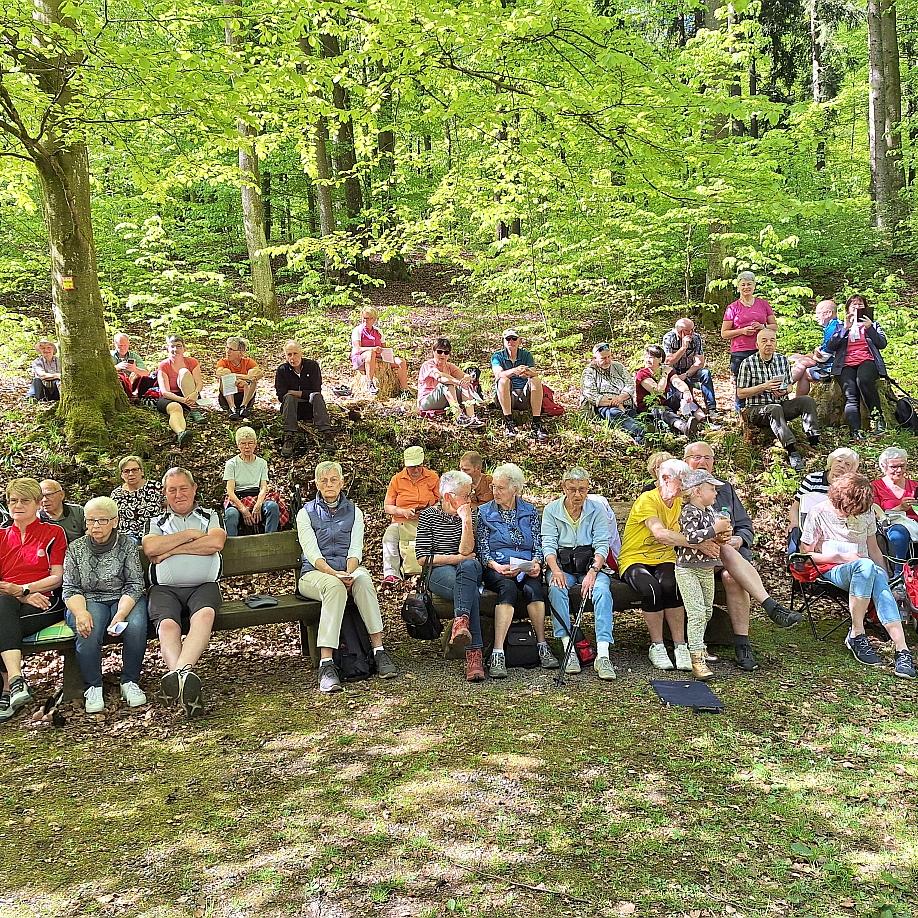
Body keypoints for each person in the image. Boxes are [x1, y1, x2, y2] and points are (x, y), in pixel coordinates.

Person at [684, 441, 802, 670]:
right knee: (725, 550)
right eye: (696, 457)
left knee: (731, 576)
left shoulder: (724, 488)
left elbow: (745, 525)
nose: (702, 462)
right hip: (694, 558)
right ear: (686, 460)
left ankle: (742, 643)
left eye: (707, 458)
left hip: (727, 557)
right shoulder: (681, 492)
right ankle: (770, 606)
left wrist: (740, 538)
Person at [296, 461, 398, 693]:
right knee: (334, 587)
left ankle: (379, 650)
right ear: (317, 484)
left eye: (334, 480)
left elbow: (355, 551)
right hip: (315, 574)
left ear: (342, 483)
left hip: (347, 569)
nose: (329, 484)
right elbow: (312, 554)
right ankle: (327, 663)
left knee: (363, 580)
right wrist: (336, 575)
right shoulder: (306, 513)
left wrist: (349, 572)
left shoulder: (355, 511)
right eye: (324, 480)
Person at [801, 473, 915, 679]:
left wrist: (886, 576)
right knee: (865, 566)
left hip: (865, 568)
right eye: (851, 509)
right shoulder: (819, 512)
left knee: (875, 573)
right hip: (832, 568)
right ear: (840, 499)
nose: (855, 513)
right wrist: (840, 556)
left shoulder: (867, 512)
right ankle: (859, 633)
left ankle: (901, 649)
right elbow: (806, 555)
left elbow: (874, 549)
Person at [142, 467, 226, 717]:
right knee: (167, 626)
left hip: (204, 586)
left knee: (204, 616)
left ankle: (179, 675)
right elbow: (150, 548)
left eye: (183, 488)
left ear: (194, 489)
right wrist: (189, 536)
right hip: (164, 589)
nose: (178, 494)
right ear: (165, 494)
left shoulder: (210, 516)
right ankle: (184, 677)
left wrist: (169, 551)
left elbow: (215, 543)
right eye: (172, 490)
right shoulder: (156, 521)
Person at [62, 497, 148, 713]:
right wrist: (80, 612)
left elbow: (136, 583)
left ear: (115, 521)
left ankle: (130, 681)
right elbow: (70, 587)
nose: (95, 526)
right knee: (88, 630)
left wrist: (120, 614)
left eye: (102, 520)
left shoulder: (127, 544)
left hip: (124, 597)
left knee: (135, 626)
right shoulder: (76, 548)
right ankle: (93, 685)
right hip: (89, 599)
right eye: (91, 521)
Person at [476, 463, 559, 676]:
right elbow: (483, 549)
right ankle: (497, 653)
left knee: (534, 590)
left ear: (515, 489)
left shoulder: (529, 511)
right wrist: (495, 565)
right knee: (508, 589)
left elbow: (539, 543)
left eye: (501, 488)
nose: (496, 492)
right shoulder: (484, 513)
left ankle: (542, 645)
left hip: (525, 566)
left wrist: (537, 563)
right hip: (498, 566)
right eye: (494, 487)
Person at [0, 478, 66, 722]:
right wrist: (20, 594)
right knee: (3, 607)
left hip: (45, 601)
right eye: (12, 500)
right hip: (11, 600)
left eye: (24, 500)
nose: (17, 505)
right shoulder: (1, 535)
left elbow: (57, 578)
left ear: (38, 503)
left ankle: (9, 689)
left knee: (2, 615)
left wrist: (23, 589)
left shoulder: (53, 533)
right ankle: (16, 681)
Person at [618, 458, 692, 671]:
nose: (686, 485)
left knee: (672, 585)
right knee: (651, 588)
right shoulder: (647, 500)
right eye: (682, 480)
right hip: (635, 558)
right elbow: (660, 533)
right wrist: (698, 543)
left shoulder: (679, 501)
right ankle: (657, 646)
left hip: (665, 557)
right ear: (666, 479)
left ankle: (680, 646)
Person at [542, 468, 616, 681]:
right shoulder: (552, 510)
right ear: (564, 488)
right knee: (556, 588)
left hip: (589, 566)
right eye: (572, 489)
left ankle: (603, 654)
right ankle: (568, 648)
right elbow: (548, 544)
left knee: (602, 589)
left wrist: (594, 571)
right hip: (562, 566)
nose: (577, 495)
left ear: (588, 489)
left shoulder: (596, 509)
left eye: (582, 490)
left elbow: (602, 544)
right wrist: (555, 570)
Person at [415, 470, 485, 682]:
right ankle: (474, 655)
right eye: (465, 496)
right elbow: (423, 558)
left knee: (471, 567)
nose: (469, 500)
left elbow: (468, 551)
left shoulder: (470, 515)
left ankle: (461, 622)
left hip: (467, 571)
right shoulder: (429, 516)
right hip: (438, 573)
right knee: (468, 587)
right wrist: (455, 559)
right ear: (448, 497)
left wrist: (465, 521)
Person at [674, 469, 735, 680]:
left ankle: (700, 645)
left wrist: (721, 535)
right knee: (697, 613)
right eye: (712, 489)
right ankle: (696, 658)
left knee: (707, 611)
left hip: (706, 568)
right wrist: (714, 529)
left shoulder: (709, 511)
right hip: (688, 570)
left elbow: (710, 536)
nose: (716, 493)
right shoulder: (689, 511)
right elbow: (691, 537)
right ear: (698, 491)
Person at [736, 328, 819, 470]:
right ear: (757, 345)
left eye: (772, 340)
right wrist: (764, 387)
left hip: (780, 403)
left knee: (807, 400)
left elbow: (789, 387)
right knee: (775, 408)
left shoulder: (782, 360)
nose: (768, 344)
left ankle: (814, 439)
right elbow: (740, 393)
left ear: (776, 343)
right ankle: (792, 450)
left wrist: (783, 390)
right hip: (756, 409)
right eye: (764, 341)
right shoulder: (747, 363)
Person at [825, 294, 888, 438]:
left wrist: (870, 328)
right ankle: (855, 431)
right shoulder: (840, 325)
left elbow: (882, 344)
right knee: (850, 394)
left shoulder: (873, 324)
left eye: (860, 304)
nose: (857, 307)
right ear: (848, 309)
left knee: (864, 380)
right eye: (854, 304)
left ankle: (878, 420)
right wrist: (845, 329)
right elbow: (831, 346)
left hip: (867, 360)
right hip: (845, 364)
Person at [381, 446, 440, 585]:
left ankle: (432, 571)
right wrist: (403, 512)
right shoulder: (397, 479)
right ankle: (392, 574)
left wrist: (429, 510)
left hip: (426, 519)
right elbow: (387, 507)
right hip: (401, 521)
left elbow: (442, 501)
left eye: (418, 466)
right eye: (412, 467)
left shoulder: (432, 477)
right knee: (389, 536)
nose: (415, 470)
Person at [721, 271, 778, 408]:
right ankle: (740, 411)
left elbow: (774, 326)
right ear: (738, 287)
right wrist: (742, 331)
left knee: (761, 380)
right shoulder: (732, 308)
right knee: (741, 382)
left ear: (754, 286)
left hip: (761, 349)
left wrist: (762, 326)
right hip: (740, 351)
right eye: (743, 284)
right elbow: (724, 333)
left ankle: (763, 409)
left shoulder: (763, 304)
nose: (746, 287)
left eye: (749, 284)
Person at [788, 448, 860, 554]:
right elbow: (796, 505)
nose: (842, 465)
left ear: (852, 470)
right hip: (808, 523)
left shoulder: (850, 487)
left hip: (836, 528)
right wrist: (794, 522)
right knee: (794, 532)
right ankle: (795, 565)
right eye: (839, 461)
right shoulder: (812, 479)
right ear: (831, 462)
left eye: (847, 464)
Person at [274, 340, 333, 458]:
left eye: (295, 354)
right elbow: (281, 395)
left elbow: (316, 390)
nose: (292, 358)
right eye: (289, 354)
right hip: (291, 409)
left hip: (311, 408)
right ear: (285, 356)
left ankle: (326, 434)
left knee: (317, 397)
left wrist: (295, 392)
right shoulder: (282, 370)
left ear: (301, 353)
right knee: (289, 397)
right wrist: (300, 394)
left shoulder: (312, 366)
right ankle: (289, 436)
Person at [581, 342, 646, 444]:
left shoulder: (618, 367)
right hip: (604, 408)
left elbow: (630, 385)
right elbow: (590, 395)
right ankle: (643, 431)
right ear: (595, 359)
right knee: (614, 414)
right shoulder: (589, 372)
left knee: (635, 418)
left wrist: (620, 399)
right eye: (603, 358)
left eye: (609, 357)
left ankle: (643, 442)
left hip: (625, 404)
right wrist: (615, 402)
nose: (607, 360)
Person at [223, 427, 281, 537]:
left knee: (272, 507)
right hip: (238, 497)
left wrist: (259, 504)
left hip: (257, 496)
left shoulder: (262, 463)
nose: (247, 447)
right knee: (231, 514)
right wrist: (243, 509)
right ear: (238, 445)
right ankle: (233, 548)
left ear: (255, 444)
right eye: (243, 443)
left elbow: (263, 487)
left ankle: (270, 541)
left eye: (250, 443)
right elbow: (230, 491)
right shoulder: (231, 464)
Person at [491, 329, 546, 440]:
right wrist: (513, 371)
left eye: (514, 338)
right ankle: (509, 422)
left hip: (524, 394)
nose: (511, 341)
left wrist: (527, 372)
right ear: (504, 341)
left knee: (536, 380)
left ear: (519, 341)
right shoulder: (497, 356)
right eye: (508, 339)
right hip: (506, 395)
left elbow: (534, 372)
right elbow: (498, 374)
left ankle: (536, 422)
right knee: (503, 380)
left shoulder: (526, 355)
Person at [417, 338, 483, 428]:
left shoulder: (449, 366)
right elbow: (440, 377)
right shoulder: (428, 365)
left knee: (465, 386)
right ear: (434, 352)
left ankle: (471, 417)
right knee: (447, 384)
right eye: (439, 352)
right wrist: (457, 382)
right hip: (427, 401)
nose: (443, 355)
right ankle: (458, 417)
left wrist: (466, 379)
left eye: (446, 352)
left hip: (444, 400)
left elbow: (464, 376)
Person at [635, 345, 699, 438]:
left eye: (651, 357)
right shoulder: (642, 373)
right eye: (646, 356)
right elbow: (657, 391)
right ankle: (683, 426)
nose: (648, 359)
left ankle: (699, 418)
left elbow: (677, 382)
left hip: (663, 403)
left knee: (680, 394)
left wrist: (686, 391)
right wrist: (664, 374)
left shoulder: (666, 370)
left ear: (660, 359)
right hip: (647, 409)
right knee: (662, 410)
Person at [872, 447, 918, 571]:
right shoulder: (876, 486)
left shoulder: (915, 485)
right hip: (890, 524)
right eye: (894, 467)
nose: (899, 470)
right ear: (883, 466)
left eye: (902, 466)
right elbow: (875, 511)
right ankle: (899, 574)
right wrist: (900, 508)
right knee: (898, 533)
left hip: (915, 524)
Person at [155, 336, 204, 445]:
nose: (175, 349)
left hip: (190, 394)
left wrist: (195, 394)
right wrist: (182, 400)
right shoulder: (164, 365)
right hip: (171, 397)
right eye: (172, 346)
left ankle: (194, 410)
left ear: (184, 348)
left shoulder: (192, 362)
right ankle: (181, 433)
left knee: (184, 372)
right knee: (175, 408)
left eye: (178, 346)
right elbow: (165, 392)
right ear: (168, 348)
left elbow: (199, 383)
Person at [662, 318, 717, 415]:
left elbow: (700, 362)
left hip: (690, 371)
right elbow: (668, 362)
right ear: (679, 331)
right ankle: (674, 412)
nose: (691, 332)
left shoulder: (696, 338)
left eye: (692, 329)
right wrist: (683, 348)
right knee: (669, 382)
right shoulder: (669, 337)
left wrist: (686, 374)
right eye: (687, 330)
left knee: (705, 373)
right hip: (673, 373)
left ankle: (711, 408)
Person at [350, 306, 409, 395]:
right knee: (370, 354)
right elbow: (357, 349)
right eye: (365, 318)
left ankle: (404, 389)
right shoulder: (357, 330)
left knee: (401, 362)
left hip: (378, 357)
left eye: (370, 318)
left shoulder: (378, 331)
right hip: (361, 359)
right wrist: (372, 349)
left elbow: (384, 348)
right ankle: (370, 383)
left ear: (374, 320)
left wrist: (386, 354)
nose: (367, 321)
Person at [789, 299, 840, 396]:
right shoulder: (835, 325)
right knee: (804, 361)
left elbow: (823, 357)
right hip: (833, 364)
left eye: (818, 313)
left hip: (833, 368)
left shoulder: (833, 328)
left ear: (828, 313)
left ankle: (782, 388)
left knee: (803, 367)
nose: (815, 316)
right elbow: (824, 350)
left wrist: (806, 357)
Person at [111, 456, 163, 544]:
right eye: (126, 471)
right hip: (127, 535)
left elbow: (170, 507)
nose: (131, 474)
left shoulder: (156, 487)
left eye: (135, 470)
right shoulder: (116, 494)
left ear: (142, 472)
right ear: (122, 475)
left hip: (154, 533)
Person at [215, 336, 263, 420]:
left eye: (231, 349)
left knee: (252, 374)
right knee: (226, 372)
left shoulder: (248, 362)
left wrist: (245, 380)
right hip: (227, 396)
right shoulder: (223, 362)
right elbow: (219, 373)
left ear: (240, 353)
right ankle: (232, 408)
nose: (228, 351)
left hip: (245, 395)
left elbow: (259, 374)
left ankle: (244, 406)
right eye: (227, 348)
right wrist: (243, 377)